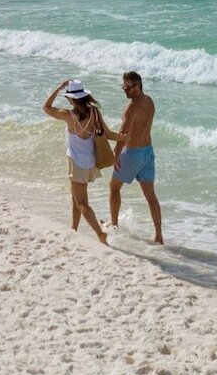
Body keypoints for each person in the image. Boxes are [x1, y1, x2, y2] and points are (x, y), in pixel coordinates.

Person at [42, 79, 116, 245]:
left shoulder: (68, 115)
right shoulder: (94, 113)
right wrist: (124, 138)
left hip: (76, 163)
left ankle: (100, 234)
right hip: (89, 161)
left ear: (70, 99)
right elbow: (108, 133)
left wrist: (59, 87)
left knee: (82, 202)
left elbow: (46, 107)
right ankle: (74, 229)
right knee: (76, 196)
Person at [108, 70, 163, 245]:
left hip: (132, 154)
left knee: (113, 187)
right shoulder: (149, 101)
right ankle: (159, 235)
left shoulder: (131, 108)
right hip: (148, 153)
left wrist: (115, 158)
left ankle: (114, 225)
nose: (125, 90)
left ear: (138, 86)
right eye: (123, 87)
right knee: (150, 196)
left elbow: (122, 136)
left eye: (128, 87)